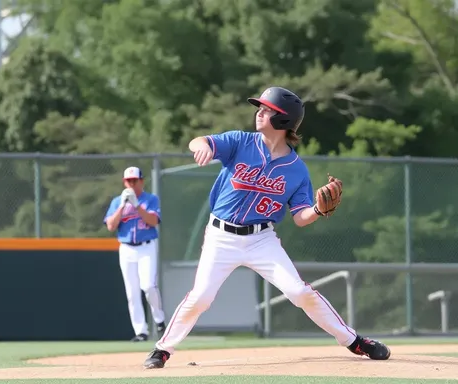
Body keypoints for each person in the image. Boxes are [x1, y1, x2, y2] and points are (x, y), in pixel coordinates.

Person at [143, 86, 391, 369]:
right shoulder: (240, 142)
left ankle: (353, 341)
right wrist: (200, 145)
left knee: (299, 292)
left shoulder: (297, 169)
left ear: (284, 120)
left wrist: (318, 210)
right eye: (260, 108)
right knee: (201, 297)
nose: (259, 112)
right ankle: (162, 349)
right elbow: (202, 141)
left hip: (262, 240)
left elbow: (300, 216)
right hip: (221, 237)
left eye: (267, 109)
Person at [104, 166, 167, 342]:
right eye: (128, 181)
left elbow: (153, 221)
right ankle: (141, 331)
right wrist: (123, 205)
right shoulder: (118, 201)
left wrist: (137, 206)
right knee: (131, 292)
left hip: (146, 246)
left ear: (141, 181)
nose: (131, 184)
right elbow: (111, 225)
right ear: (124, 182)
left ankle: (159, 320)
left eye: (135, 180)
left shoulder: (150, 199)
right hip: (126, 248)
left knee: (148, 286)